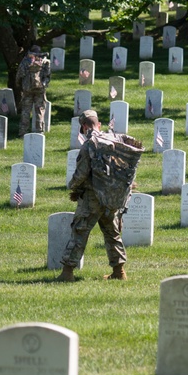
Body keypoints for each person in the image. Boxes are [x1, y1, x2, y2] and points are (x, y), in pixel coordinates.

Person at [57, 110, 145, 282]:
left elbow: (81, 174)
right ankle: (119, 271)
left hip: (92, 198)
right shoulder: (113, 139)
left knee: (80, 231)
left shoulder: (89, 144)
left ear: (83, 126)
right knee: (112, 233)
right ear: (99, 124)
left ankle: (67, 272)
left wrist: (72, 186)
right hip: (112, 197)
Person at [16, 45, 51, 137]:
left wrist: (19, 86)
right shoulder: (44, 62)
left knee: (26, 111)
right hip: (40, 89)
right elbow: (47, 76)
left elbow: (19, 75)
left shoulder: (25, 62)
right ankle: (40, 131)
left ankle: (23, 132)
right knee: (40, 110)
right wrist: (44, 85)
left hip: (27, 89)